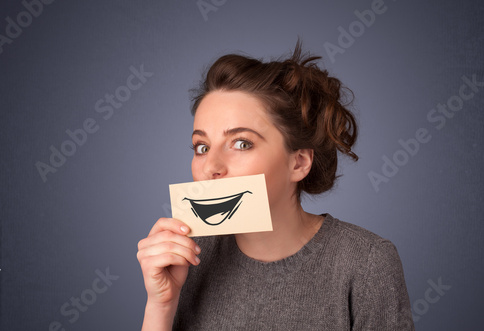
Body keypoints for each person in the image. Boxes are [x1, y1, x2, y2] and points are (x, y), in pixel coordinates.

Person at [137, 42, 415, 330]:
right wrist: (161, 304)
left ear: (299, 163)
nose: (211, 167)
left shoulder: (365, 263)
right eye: (202, 147)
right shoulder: (189, 258)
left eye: (242, 143)